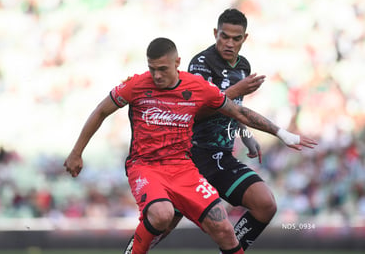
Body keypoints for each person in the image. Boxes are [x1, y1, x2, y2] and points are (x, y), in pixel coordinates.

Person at [64, 37, 317, 254]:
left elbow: (238, 112)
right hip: (146, 166)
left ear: (177, 62)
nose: (157, 75)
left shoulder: (197, 88)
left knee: (224, 229)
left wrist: (283, 133)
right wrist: (77, 152)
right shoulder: (136, 85)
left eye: (162, 68)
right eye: (152, 69)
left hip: (183, 168)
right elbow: (100, 111)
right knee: (162, 215)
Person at [123, 8, 277, 252]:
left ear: (244, 39)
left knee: (265, 204)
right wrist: (237, 89)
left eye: (236, 38)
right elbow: (195, 109)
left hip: (222, 155)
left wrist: (246, 136)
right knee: (162, 221)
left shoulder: (243, 67)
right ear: (215, 34)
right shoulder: (201, 63)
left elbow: (233, 109)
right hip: (193, 155)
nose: (229, 43)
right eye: (224, 36)